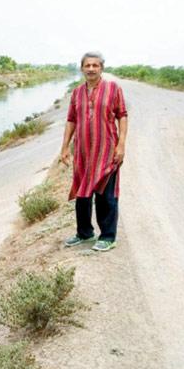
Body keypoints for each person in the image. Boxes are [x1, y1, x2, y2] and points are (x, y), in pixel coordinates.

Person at [60, 51, 128, 252]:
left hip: (106, 150)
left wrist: (121, 144)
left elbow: (122, 115)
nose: (91, 69)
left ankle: (108, 236)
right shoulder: (77, 93)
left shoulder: (113, 89)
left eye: (95, 65)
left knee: (106, 195)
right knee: (82, 194)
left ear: (101, 68)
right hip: (82, 152)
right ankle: (84, 233)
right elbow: (71, 120)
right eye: (87, 65)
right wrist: (64, 146)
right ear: (81, 68)